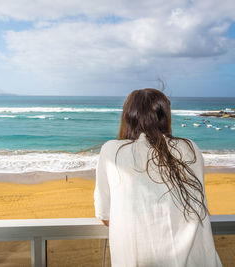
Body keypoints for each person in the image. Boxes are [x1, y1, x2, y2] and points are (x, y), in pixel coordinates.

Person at [94, 88, 222, 266]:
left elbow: (104, 214)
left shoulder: (112, 151)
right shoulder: (190, 148)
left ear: (128, 117)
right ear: (165, 117)